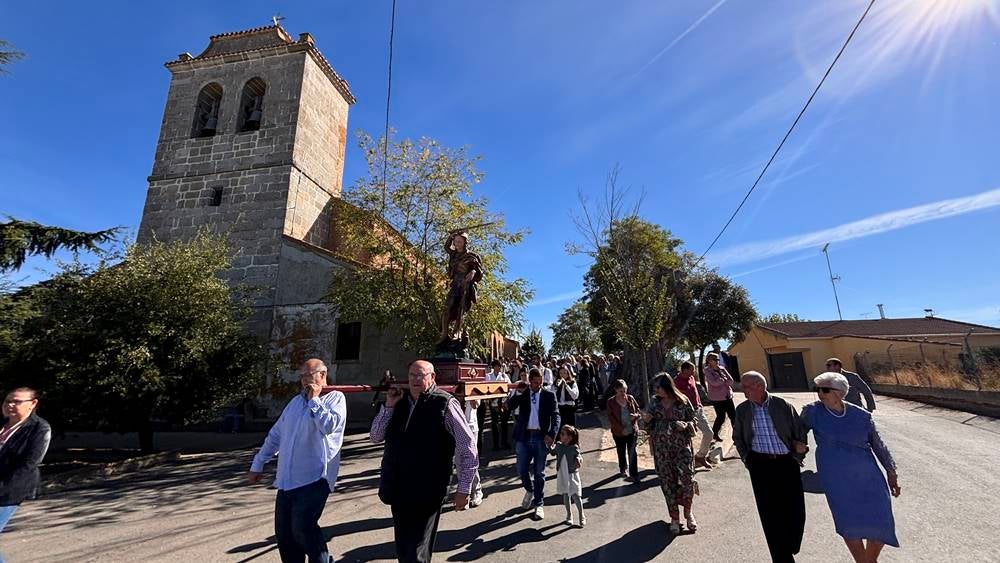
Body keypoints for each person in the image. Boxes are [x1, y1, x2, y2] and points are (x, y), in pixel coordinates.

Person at [370, 360, 477, 562]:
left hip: (427, 489)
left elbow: (468, 447)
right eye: (412, 375)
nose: (416, 380)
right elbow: (375, 436)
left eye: (421, 375)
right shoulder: (398, 402)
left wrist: (464, 488)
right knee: (404, 549)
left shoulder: (445, 403)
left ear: (432, 377)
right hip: (398, 487)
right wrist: (389, 406)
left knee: (416, 552)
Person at [248, 359, 347, 563]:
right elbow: (276, 435)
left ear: (322, 375)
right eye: (302, 375)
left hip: (314, 479)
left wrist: (315, 400)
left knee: (303, 529)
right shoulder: (294, 403)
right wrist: (258, 463)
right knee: (285, 536)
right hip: (286, 481)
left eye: (309, 375)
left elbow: (328, 426)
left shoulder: (336, 398)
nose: (304, 380)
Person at [802, 372, 900, 563]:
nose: (819, 394)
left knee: (881, 520)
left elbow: (878, 444)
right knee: (849, 523)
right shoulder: (812, 412)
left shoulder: (861, 416)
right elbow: (795, 433)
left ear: (840, 393)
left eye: (824, 389)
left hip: (869, 476)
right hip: (837, 478)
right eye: (817, 389)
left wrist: (891, 471)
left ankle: (869, 560)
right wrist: (797, 448)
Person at [733, 371, 809, 563]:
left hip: (786, 463)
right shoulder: (743, 410)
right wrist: (747, 459)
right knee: (769, 515)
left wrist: (798, 452)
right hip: (760, 465)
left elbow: (799, 432)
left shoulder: (782, 406)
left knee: (795, 511)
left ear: (759, 386)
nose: (742, 390)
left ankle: (790, 543)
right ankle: (781, 557)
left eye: (746, 386)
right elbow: (738, 437)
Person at [641, 375, 698, 534]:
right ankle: (674, 518)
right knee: (668, 482)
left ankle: (688, 513)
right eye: (655, 388)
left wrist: (686, 425)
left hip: (682, 449)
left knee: (687, 480)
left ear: (667, 386)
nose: (656, 390)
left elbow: (694, 422)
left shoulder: (683, 401)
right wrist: (646, 420)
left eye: (658, 387)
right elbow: (645, 426)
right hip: (662, 450)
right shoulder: (654, 402)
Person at [508, 368, 560, 519]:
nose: (538, 385)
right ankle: (529, 490)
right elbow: (510, 406)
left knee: (539, 473)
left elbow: (556, 415)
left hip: (540, 437)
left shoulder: (549, 395)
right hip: (523, 437)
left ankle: (539, 504)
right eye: (535, 382)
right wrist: (518, 391)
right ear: (530, 381)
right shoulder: (523, 393)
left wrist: (552, 434)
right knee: (521, 469)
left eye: (540, 382)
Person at [0, 387, 51, 534]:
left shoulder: (39, 428)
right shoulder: (2, 425)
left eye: (16, 402)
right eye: (7, 401)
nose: (10, 405)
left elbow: (29, 463)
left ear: (33, 403)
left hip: (11, 489)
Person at [674, 361, 716, 469]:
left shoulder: (691, 378)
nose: (694, 371)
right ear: (684, 370)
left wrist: (700, 404)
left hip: (698, 410)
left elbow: (695, 392)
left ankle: (700, 456)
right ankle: (684, 462)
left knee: (709, 433)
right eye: (692, 369)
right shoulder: (676, 382)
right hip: (685, 413)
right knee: (688, 438)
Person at [549, 425, 585, 527]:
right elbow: (552, 452)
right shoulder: (559, 446)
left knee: (576, 496)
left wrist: (579, 460)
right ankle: (569, 516)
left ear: (569, 438)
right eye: (561, 433)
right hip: (562, 474)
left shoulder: (574, 448)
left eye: (563, 434)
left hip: (572, 475)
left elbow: (579, 456)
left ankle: (581, 515)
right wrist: (549, 445)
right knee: (566, 495)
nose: (560, 435)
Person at [606, 379, 641, 482]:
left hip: (632, 430)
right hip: (618, 432)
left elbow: (638, 411)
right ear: (616, 390)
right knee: (621, 451)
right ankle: (623, 468)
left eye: (625, 390)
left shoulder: (630, 398)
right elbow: (611, 418)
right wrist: (621, 429)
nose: (623, 393)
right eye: (621, 391)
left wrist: (635, 416)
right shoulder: (611, 402)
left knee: (632, 452)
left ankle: (634, 475)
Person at [704, 353, 736, 442]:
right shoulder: (707, 371)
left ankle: (736, 436)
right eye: (715, 360)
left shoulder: (722, 368)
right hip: (716, 398)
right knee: (721, 416)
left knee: (733, 416)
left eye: (718, 359)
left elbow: (731, 381)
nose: (717, 361)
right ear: (709, 361)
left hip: (727, 396)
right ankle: (715, 433)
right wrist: (723, 379)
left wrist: (722, 378)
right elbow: (714, 383)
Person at [462, 399, 485, 508]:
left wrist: (469, 396)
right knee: (459, 462)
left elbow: (475, 405)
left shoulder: (473, 385)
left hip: (470, 427)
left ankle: (477, 491)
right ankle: (464, 493)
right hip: (455, 426)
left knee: (471, 461)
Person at [486, 360, 511, 450]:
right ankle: (496, 444)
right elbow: (487, 389)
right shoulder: (488, 376)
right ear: (493, 367)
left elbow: (509, 388)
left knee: (504, 424)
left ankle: (504, 442)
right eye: (496, 366)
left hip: (503, 403)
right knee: (495, 424)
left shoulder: (504, 376)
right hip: (493, 403)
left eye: (499, 366)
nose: (498, 368)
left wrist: (505, 400)